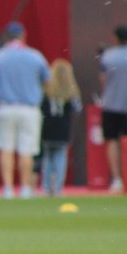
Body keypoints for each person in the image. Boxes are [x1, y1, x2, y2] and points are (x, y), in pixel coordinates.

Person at [0, 21, 51, 199]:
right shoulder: (35, 56)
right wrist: (38, 95)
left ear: (6, 36)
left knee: (6, 149)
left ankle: (7, 188)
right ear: (23, 36)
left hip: (5, 107)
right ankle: (25, 188)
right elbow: (48, 81)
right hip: (29, 108)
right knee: (26, 150)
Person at [99, 24, 127, 193]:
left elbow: (103, 79)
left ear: (115, 38)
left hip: (111, 104)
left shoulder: (108, 56)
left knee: (112, 140)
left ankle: (116, 178)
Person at [40, 59, 82, 197]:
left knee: (48, 158)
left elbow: (40, 107)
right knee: (60, 157)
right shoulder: (71, 92)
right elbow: (77, 109)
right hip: (63, 128)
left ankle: (46, 187)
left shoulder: (46, 90)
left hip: (47, 128)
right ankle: (58, 188)